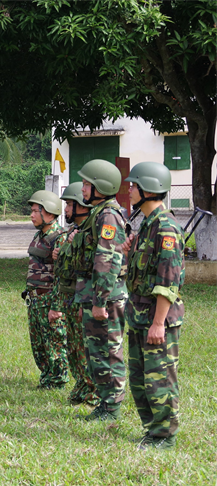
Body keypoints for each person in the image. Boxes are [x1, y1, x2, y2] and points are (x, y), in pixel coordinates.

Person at [123, 162, 184, 450]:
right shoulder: (146, 225)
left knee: (159, 378)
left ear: (148, 189)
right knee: (138, 379)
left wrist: (158, 323)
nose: (130, 189)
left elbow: (168, 281)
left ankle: (165, 436)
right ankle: (152, 430)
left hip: (157, 318)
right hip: (139, 316)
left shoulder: (166, 228)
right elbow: (139, 274)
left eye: (133, 185)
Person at [72, 159, 129, 421]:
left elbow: (107, 260)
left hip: (105, 296)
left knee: (107, 351)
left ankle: (112, 406)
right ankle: (106, 404)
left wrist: (100, 301)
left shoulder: (108, 215)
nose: (82, 189)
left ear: (101, 187)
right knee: (97, 352)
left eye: (87, 184)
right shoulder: (100, 213)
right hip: (96, 294)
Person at [48, 182, 98, 405]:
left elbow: (90, 267)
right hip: (70, 296)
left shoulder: (88, 232)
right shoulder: (72, 232)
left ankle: (92, 390)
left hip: (81, 297)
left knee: (85, 348)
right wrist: (60, 255)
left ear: (81, 205)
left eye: (69, 204)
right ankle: (81, 385)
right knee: (74, 348)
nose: (66, 209)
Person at [24, 190, 68, 389]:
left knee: (55, 342)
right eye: (31, 211)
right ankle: (47, 377)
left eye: (35, 211)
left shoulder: (60, 238)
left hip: (49, 300)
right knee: (39, 344)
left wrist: (56, 306)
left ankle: (57, 380)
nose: (31, 215)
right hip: (34, 300)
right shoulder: (38, 235)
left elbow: (62, 276)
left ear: (49, 213)